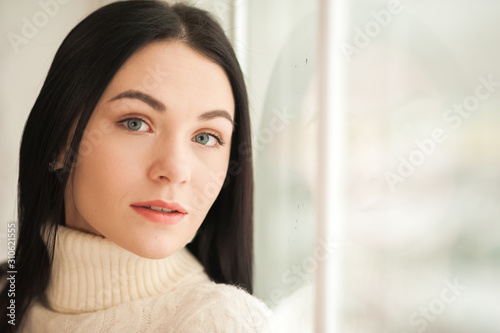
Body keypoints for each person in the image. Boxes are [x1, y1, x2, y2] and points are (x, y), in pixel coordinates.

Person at [0, 1, 274, 332]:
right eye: (135, 123)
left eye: (205, 137)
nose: (175, 169)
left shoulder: (219, 322)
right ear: (59, 141)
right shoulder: (10, 293)